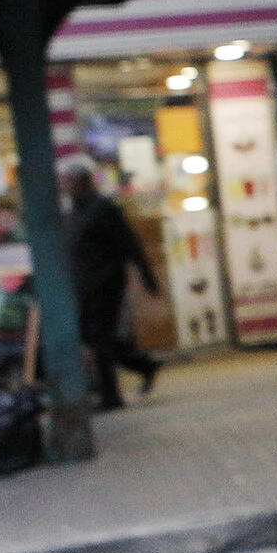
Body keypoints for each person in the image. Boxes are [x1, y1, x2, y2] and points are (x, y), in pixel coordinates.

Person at [62, 161, 162, 410]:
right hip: (85, 285)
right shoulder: (75, 212)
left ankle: (112, 396)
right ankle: (142, 364)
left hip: (105, 284)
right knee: (91, 337)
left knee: (100, 339)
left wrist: (147, 275)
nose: (68, 188)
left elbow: (130, 243)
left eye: (72, 182)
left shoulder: (103, 209)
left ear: (85, 182)